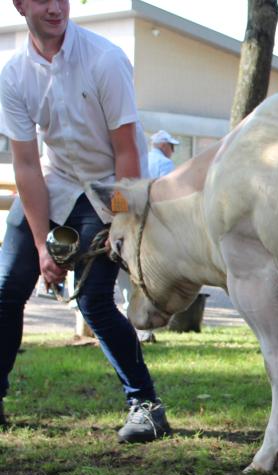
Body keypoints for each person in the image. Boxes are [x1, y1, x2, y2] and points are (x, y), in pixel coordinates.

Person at [0, 0, 171, 441]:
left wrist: (120, 224)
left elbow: (126, 154)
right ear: (20, 5)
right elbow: (26, 165)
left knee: (94, 299)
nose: (56, 7)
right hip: (54, 182)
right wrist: (42, 246)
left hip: (110, 188)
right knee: (6, 289)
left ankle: (146, 406)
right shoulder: (14, 75)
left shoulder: (105, 60)